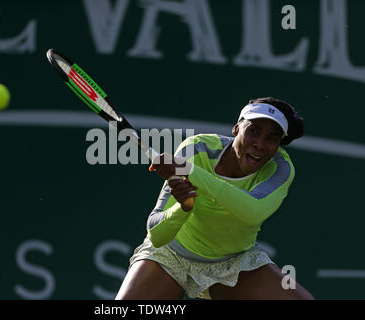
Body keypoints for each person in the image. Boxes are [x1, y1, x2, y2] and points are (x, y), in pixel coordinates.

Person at [115, 97, 315, 300]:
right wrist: (183, 207)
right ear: (236, 128)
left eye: (271, 139)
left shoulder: (280, 168)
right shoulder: (197, 148)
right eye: (253, 131)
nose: (260, 144)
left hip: (232, 263)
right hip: (170, 255)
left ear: (279, 145)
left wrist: (189, 170)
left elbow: (253, 211)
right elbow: (157, 235)